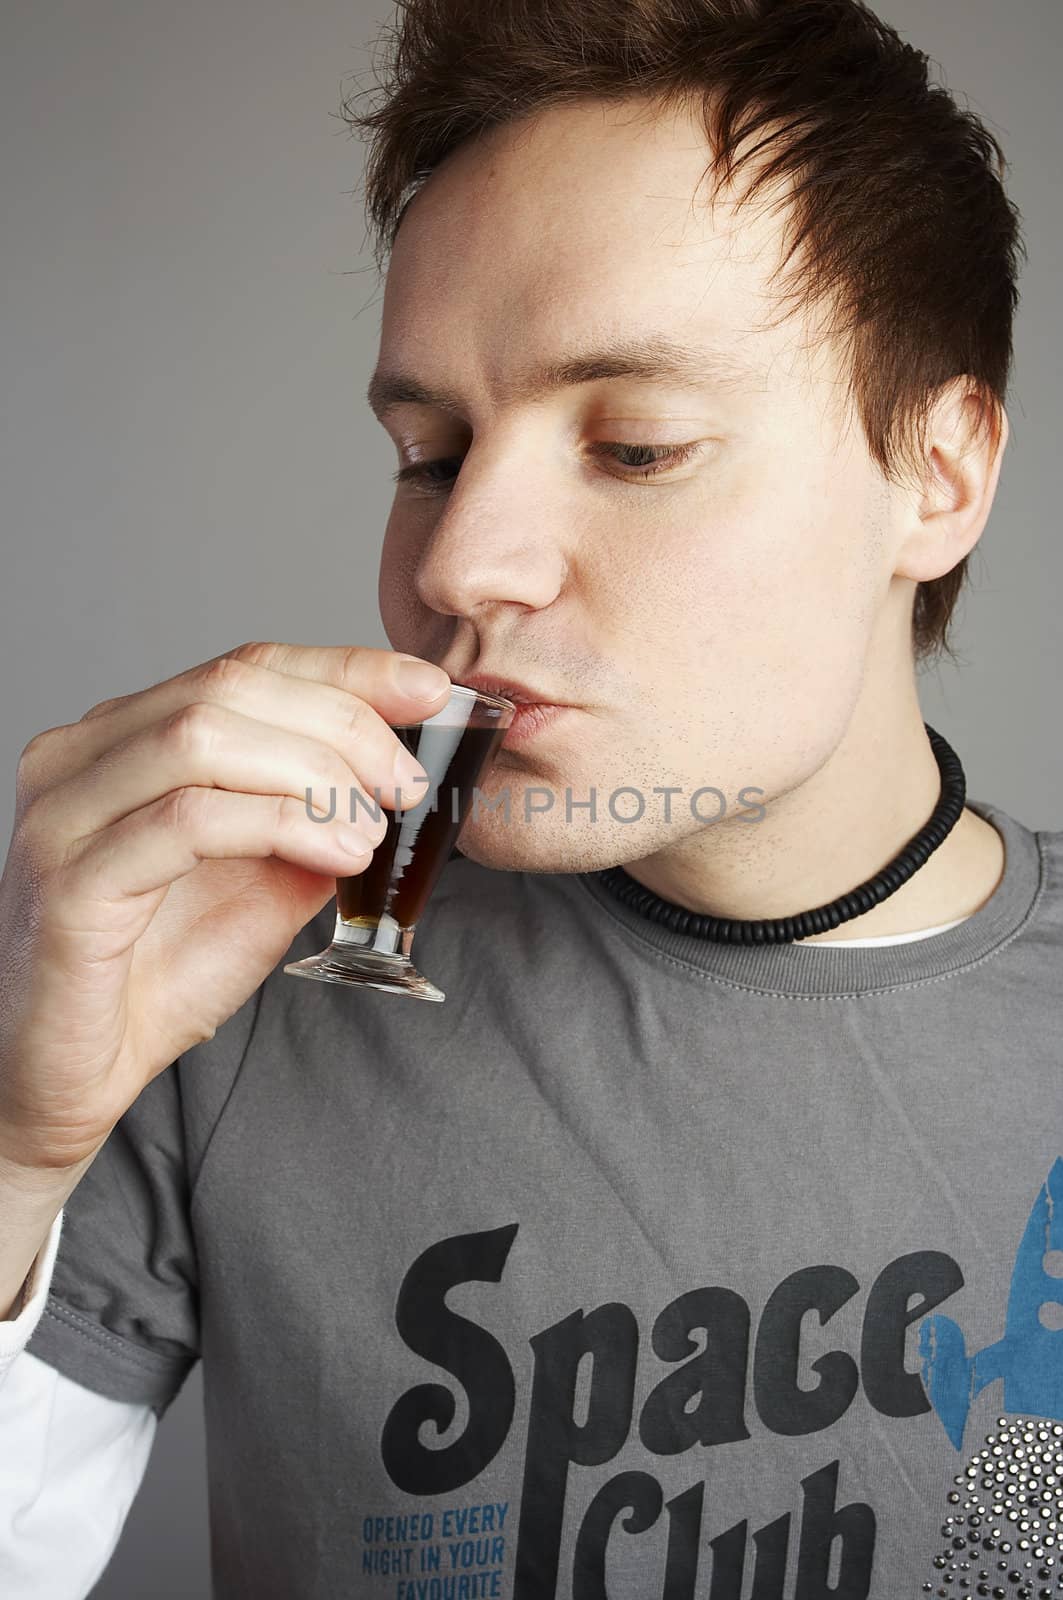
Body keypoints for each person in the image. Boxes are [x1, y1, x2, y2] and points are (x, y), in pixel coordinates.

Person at [1, 0, 1059, 1595]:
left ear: (939, 473)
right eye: (430, 453)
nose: (454, 564)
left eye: (635, 447)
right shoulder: (213, 998)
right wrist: (14, 1151)